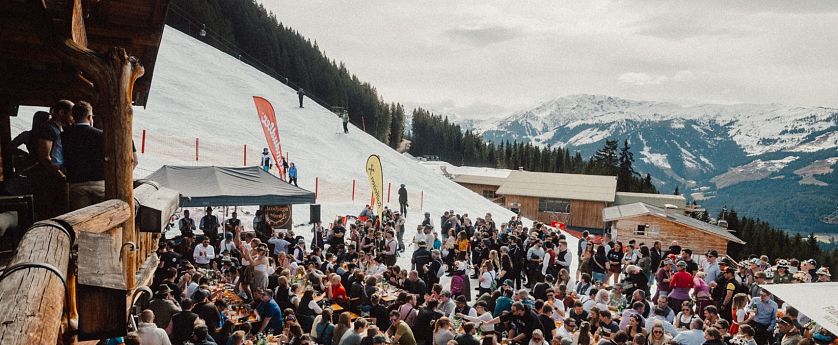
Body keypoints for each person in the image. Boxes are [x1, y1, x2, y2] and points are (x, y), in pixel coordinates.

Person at [32, 99, 74, 220]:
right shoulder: (48, 128)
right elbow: (45, 157)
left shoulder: (59, 129)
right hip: (48, 180)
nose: (73, 118)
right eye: (71, 114)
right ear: (61, 112)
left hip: (55, 178)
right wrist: (61, 176)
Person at [61, 101, 106, 210]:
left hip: (76, 185)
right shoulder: (102, 135)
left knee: (81, 217)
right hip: (100, 184)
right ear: (90, 117)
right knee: (103, 216)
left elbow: (56, 161)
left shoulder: (63, 136)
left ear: (73, 117)